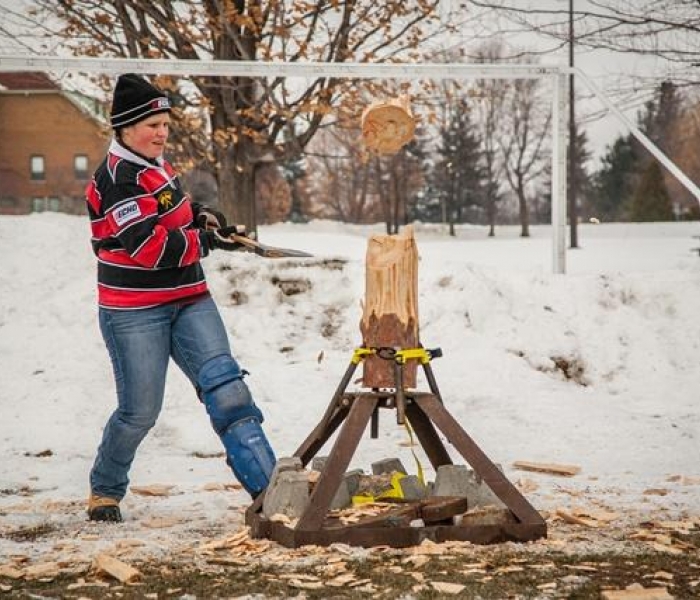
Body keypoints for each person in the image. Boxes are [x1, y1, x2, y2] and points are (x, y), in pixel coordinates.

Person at [84, 73, 277, 522]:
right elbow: (148, 248)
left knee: (228, 388)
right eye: (153, 125)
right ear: (126, 128)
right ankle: (105, 489)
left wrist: (207, 221)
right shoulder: (117, 177)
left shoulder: (156, 164)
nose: (162, 132)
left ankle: (270, 487)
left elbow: (177, 211)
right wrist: (206, 244)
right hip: (134, 311)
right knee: (140, 412)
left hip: (189, 297)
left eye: (166, 124)